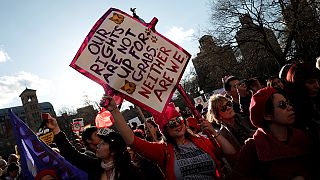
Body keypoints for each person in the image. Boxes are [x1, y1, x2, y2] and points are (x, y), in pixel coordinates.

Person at [100, 96, 236, 179]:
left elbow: (231, 153)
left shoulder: (202, 141)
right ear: (164, 129)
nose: (177, 124)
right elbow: (132, 141)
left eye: (179, 120)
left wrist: (213, 132)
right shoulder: (162, 151)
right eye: (171, 123)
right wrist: (114, 111)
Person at [232, 87, 318, 179]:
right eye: (282, 105)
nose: (290, 108)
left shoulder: (301, 136)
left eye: (288, 103)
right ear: (267, 115)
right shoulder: (253, 148)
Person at [45, 113, 142, 180]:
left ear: (113, 151)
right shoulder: (95, 167)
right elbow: (72, 154)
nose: (99, 144)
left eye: (103, 143)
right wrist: (56, 129)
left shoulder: (131, 172)